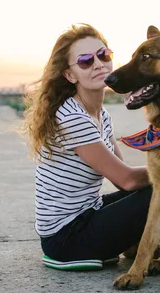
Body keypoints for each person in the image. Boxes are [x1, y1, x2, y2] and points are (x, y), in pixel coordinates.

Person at [24, 23, 153, 270]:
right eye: (85, 60)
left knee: (153, 190)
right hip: (65, 238)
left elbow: (120, 177)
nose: (98, 64)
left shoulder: (100, 114)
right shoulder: (72, 117)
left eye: (103, 55)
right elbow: (127, 179)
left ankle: (139, 244)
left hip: (86, 213)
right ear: (70, 75)